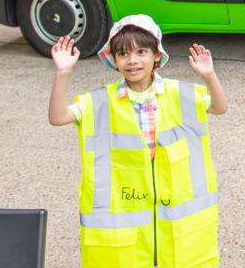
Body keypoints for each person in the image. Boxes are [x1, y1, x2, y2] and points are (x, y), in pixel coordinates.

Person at [48, 14, 228, 268]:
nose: (132, 61)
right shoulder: (99, 102)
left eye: (141, 51)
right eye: (122, 54)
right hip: (124, 226)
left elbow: (220, 107)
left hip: (179, 226)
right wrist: (63, 73)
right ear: (114, 60)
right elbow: (57, 117)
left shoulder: (181, 94)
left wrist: (209, 76)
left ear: (156, 55)